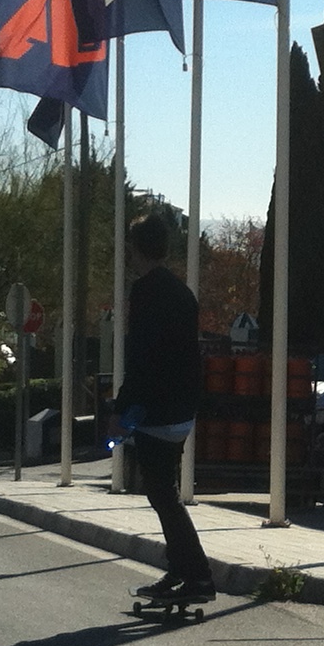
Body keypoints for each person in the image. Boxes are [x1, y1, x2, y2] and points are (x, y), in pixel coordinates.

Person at [116, 211, 215, 606]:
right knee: (165, 490)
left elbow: (142, 357)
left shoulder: (145, 291)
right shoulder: (182, 292)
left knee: (162, 495)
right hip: (182, 409)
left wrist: (122, 408)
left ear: (136, 249)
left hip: (155, 411)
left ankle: (198, 576)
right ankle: (178, 570)